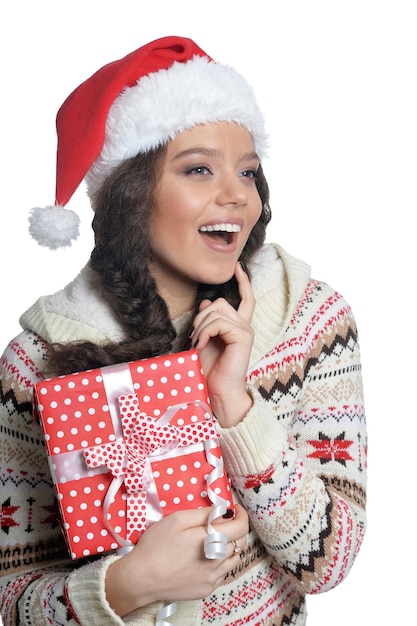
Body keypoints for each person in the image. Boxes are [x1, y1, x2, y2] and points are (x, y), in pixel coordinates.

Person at [0, 35, 367, 625]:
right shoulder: (39, 358)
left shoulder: (309, 320)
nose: (236, 197)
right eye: (199, 169)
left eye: (248, 173)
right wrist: (123, 587)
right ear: (130, 193)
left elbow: (329, 559)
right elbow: (11, 596)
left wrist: (236, 407)